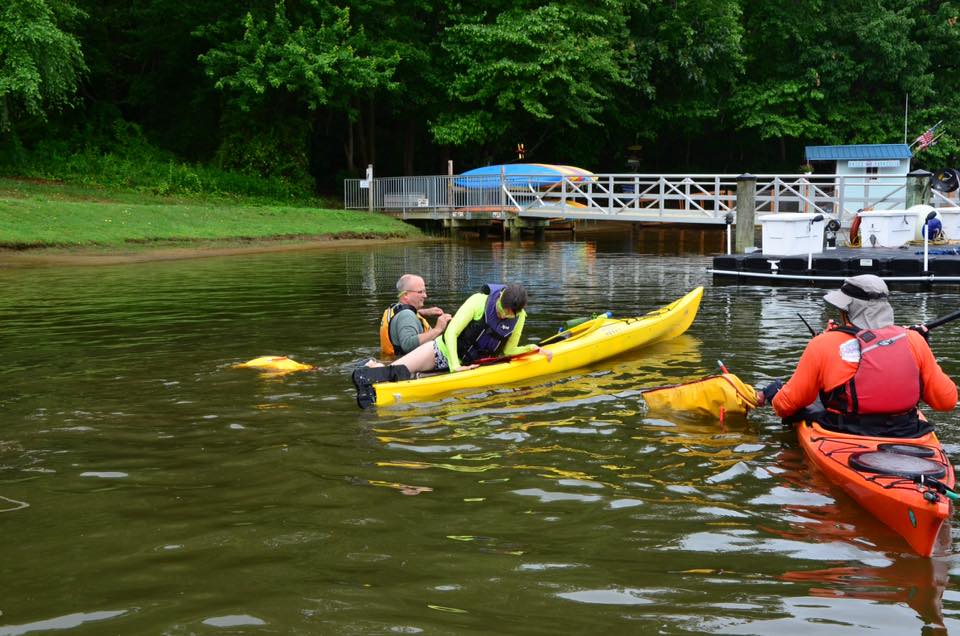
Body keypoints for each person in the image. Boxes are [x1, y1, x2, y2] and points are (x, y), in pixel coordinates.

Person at [757, 274, 957, 438]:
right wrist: (922, 346)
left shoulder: (822, 345)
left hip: (844, 432)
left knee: (780, 393)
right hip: (907, 431)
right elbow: (947, 401)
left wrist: (774, 394)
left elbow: (785, 406)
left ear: (846, 311)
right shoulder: (914, 341)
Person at [353, 283, 551, 407]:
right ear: (499, 298)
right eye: (502, 310)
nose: (504, 315)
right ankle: (367, 369)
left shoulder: (520, 316)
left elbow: (509, 350)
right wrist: (455, 366)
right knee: (397, 371)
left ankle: (376, 392)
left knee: (406, 381)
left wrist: (531, 348)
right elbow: (453, 332)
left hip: (471, 367)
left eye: (510, 314)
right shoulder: (478, 301)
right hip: (442, 350)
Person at [379, 274, 451, 357]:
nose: (425, 295)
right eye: (420, 292)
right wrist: (438, 329)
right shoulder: (406, 315)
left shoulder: (397, 309)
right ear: (406, 295)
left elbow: (404, 316)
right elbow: (408, 345)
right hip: (408, 366)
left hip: (392, 360)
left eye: (424, 291)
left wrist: (423, 312)